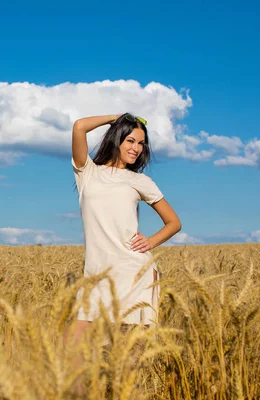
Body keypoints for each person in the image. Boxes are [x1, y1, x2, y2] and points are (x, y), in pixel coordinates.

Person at [64, 113, 181, 386]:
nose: (136, 148)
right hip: (96, 276)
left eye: (141, 143)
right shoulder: (87, 172)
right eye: (130, 140)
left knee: (129, 358)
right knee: (74, 350)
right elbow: (79, 126)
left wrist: (150, 242)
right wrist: (116, 117)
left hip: (134, 274)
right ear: (117, 139)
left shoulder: (140, 181)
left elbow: (174, 222)